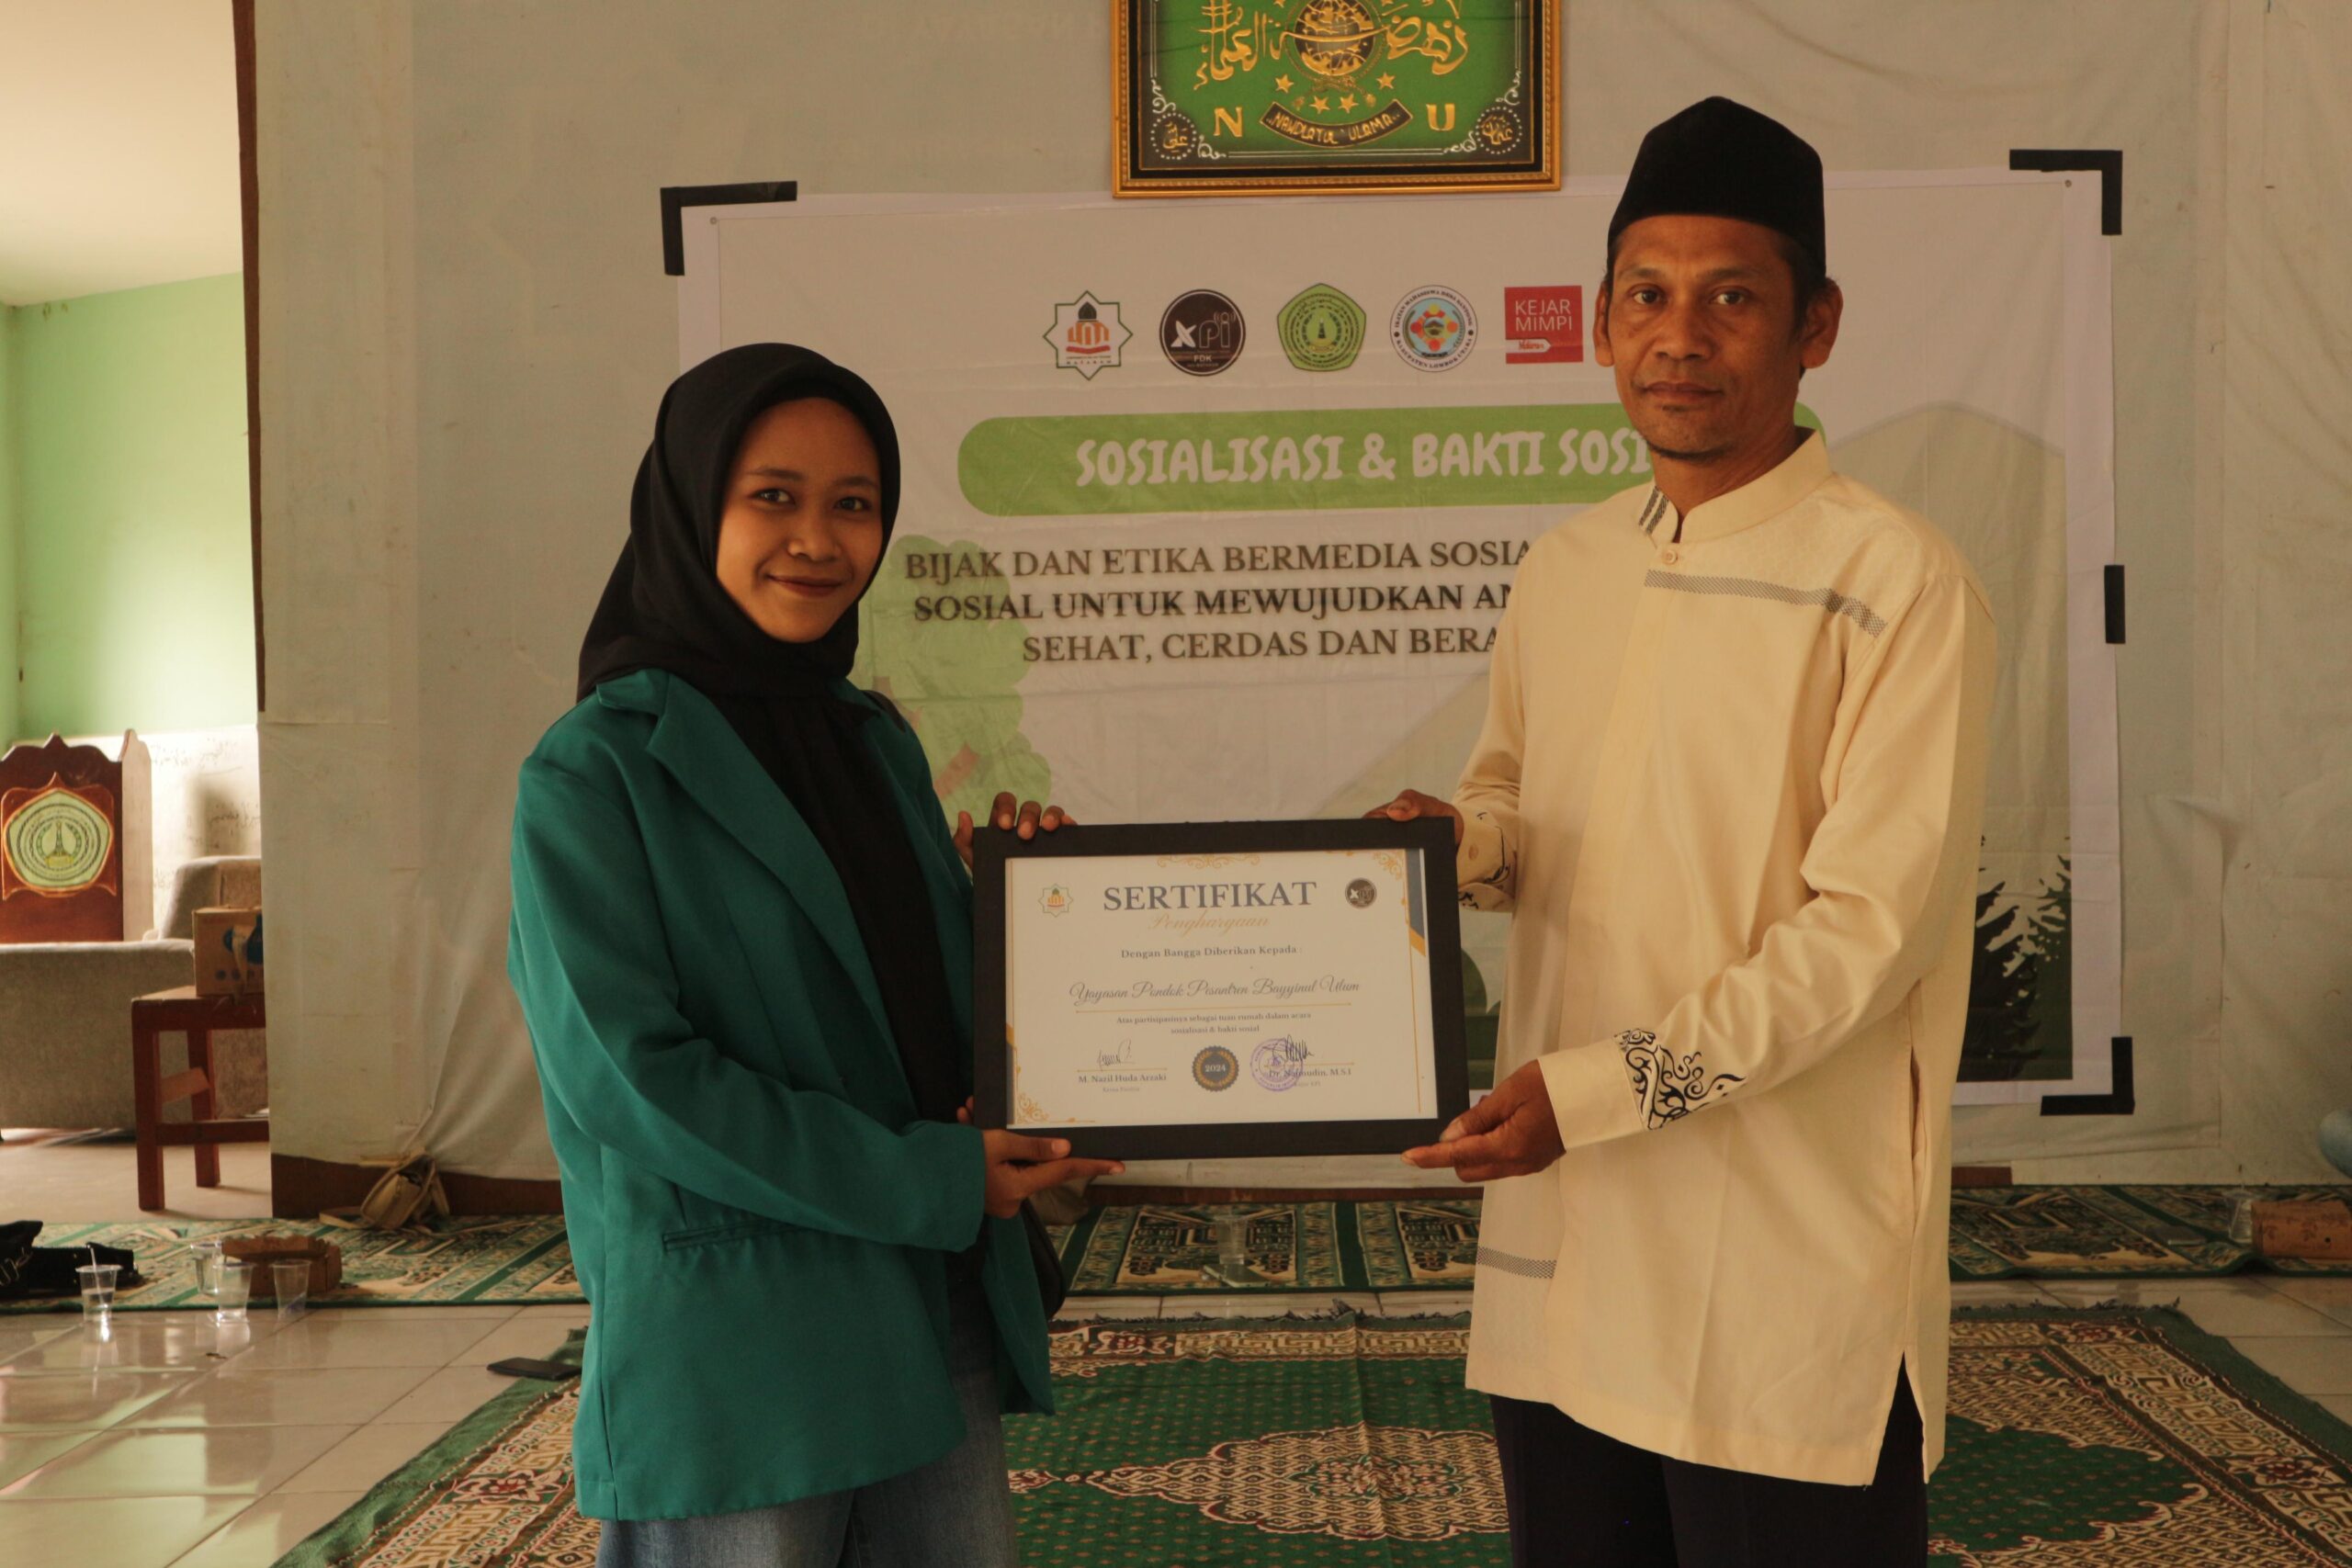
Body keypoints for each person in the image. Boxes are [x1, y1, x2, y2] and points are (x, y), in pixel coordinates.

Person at [1373, 97, 1996, 1565]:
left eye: (1731, 298)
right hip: (1571, 1242)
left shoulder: (1897, 584)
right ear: (1601, 325)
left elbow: (1868, 937)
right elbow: (1523, 804)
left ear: (1815, 326)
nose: (1680, 336)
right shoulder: (1570, 565)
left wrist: (1597, 1091)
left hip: (1775, 1257)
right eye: (1646, 296)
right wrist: (1453, 849)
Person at [508, 343, 1118, 1566]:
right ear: (693, 506)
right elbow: (637, 1083)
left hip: (930, 1304)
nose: (818, 540)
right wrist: (931, 1180)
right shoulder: (594, 772)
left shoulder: (871, 739)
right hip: (747, 1339)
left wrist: (1026, 912)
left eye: (854, 504)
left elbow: (907, 1014)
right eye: (773, 497)